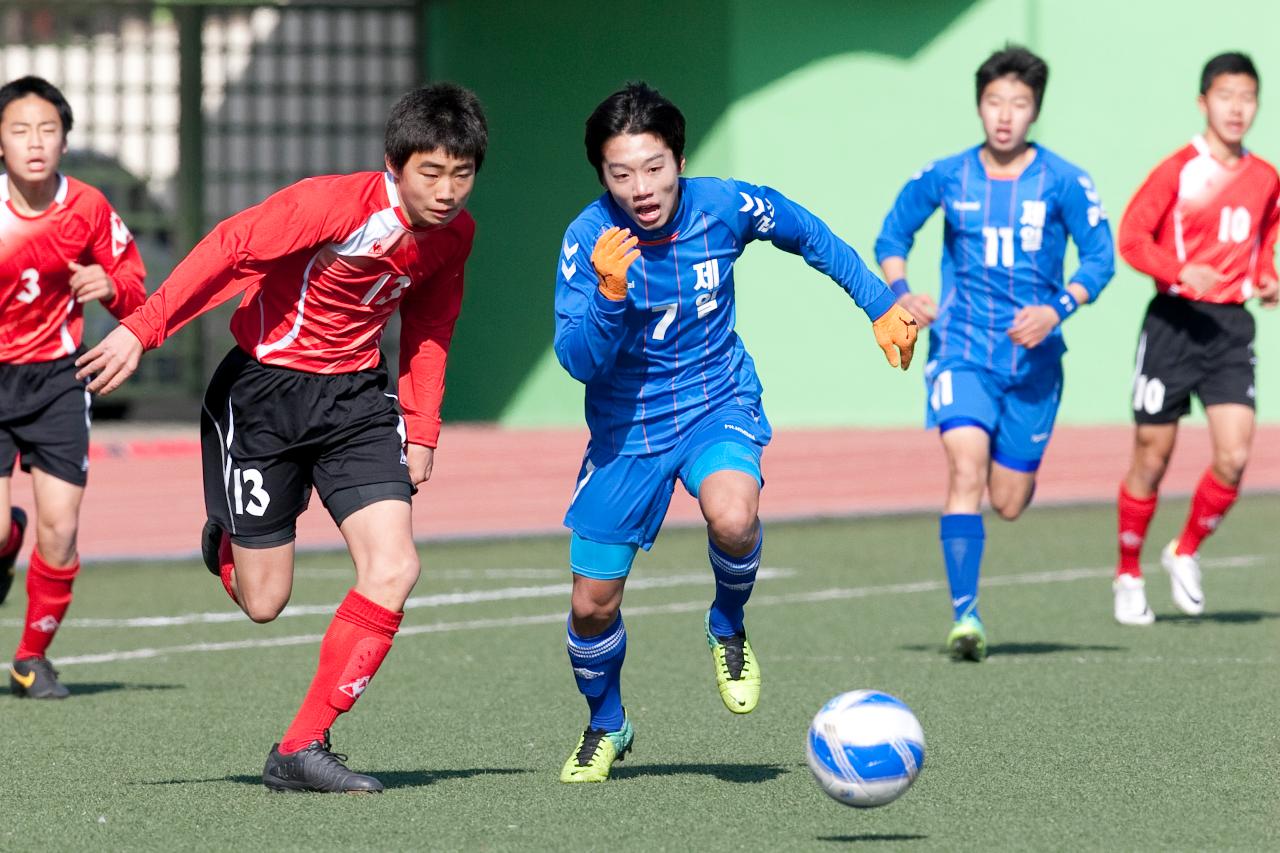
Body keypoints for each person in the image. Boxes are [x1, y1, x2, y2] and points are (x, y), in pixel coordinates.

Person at [76, 83, 486, 792]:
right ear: (395, 164)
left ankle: (302, 745)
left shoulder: (455, 236)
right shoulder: (332, 204)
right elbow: (231, 250)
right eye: (431, 172)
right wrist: (144, 329)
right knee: (265, 603)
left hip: (357, 400)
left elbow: (430, 326)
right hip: (263, 395)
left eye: (462, 173)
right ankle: (227, 537)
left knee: (395, 567)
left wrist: (422, 428)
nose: (447, 191)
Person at [554, 81, 918, 783]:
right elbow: (578, 361)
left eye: (654, 166)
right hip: (626, 432)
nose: (641, 187)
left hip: (716, 398)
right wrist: (608, 296)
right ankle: (607, 723)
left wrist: (879, 300)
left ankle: (726, 623)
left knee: (733, 513)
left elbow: (804, 230)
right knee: (591, 604)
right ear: (602, 175)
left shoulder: (722, 205)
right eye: (621, 173)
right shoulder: (585, 241)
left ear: (680, 158)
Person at [875, 46, 1115, 660]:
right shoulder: (947, 175)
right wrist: (904, 295)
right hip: (961, 350)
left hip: (1034, 363)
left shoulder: (1063, 180)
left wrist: (1057, 308)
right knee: (964, 472)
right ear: (979, 106)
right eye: (994, 102)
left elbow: (1100, 258)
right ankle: (966, 618)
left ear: (1035, 110)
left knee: (1007, 501)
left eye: (1019, 103)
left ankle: (1015, 478)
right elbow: (892, 235)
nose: (1005, 115)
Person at [1112, 52, 1278, 625]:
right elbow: (1131, 240)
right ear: (1203, 101)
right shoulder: (1178, 170)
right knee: (1152, 458)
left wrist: (1268, 278)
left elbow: (1265, 243)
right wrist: (1182, 272)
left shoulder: (1266, 177)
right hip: (1175, 324)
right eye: (1226, 95)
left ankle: (1184, 552)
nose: (1237, 107)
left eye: (1248, 97)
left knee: (1234, 456)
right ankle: (1128, 573)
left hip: (1231, 329)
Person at [0, 76, 146, 699]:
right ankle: (8, 536)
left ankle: (31, 659)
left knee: (60, 530)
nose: (35, 142)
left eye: (47, 130)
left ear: (64, 139)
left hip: (59, 381)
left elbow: (136, 285)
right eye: (19, 130)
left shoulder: (88, 207)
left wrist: (109, 287)